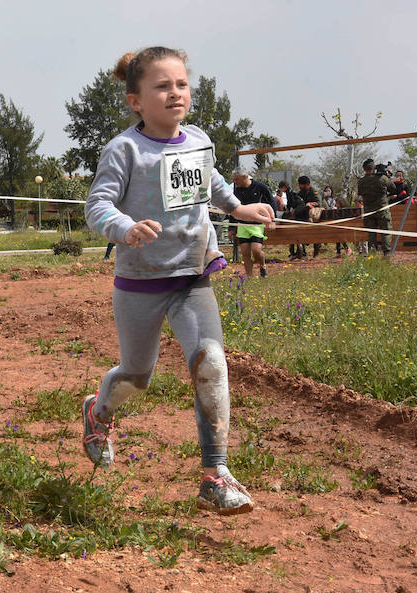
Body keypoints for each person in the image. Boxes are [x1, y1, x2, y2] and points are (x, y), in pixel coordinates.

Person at [83, 46, 274, 515]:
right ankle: (98, 411)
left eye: (182, 84)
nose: (175, 93)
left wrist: (237, 208)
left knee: (211, 363)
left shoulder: (199, 141)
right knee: (137, 376)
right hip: (140, 282)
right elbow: (97, 205)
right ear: (136, 100)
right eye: (162, 86)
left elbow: (211, 185)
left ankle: (216, 472)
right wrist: (124, 227)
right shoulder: (124, 149)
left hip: (192, 275)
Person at [231, 166, 275, 277]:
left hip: (257, 225)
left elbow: (271, 202)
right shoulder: (236, 191)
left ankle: (263, 266)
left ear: (245, 177)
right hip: (242, 225)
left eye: (237, 179)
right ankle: (249, 277)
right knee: (245, 252)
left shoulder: (260, 187)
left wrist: (272, 220)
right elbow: (233, 209)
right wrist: (231, 228)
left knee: (256, 250)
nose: (235, 182)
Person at [356, 159, 396, 257]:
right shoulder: (382, 178)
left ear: (363, 169)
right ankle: (386, 253)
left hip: (369, 211)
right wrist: (388, 176)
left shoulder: (361, 181)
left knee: (371, 233)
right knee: (386, 231)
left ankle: (372, 253)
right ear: (374, 168)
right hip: (382, 210)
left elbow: (360, 194)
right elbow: (393, 188)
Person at [296, 176, 321, 257]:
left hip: (314, 216)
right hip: (303, 216)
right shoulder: (300, 193)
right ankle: (302, 253)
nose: (300, 186)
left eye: (301, 185)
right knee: (300, 234)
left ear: (307, 185)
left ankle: (316, 254)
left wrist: (310, 204)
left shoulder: (313, 191)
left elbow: (318, 203)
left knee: (315, 235)